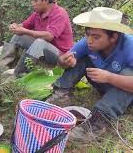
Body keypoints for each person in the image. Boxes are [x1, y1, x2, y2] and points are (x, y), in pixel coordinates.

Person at [48, 7, 133, 141]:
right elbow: (66, 59)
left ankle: (99, 121)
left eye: (96, 37)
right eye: (87, 34)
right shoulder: (88, 43)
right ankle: (61, 94)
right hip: (105, 85)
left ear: (113, 37)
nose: (89, 40)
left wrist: (109, 77)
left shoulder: (130, 46)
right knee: (79, 58)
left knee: (129, 72)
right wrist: (64, 61)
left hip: (127, 93)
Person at [0, 0, 73, 77]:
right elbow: (23, 25)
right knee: (18, 36)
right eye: (32, 0)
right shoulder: (37, 14)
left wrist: (25, 31)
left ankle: (17, 75)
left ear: (45, 0)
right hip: (43, 48)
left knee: (39, 42)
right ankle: (0, 69)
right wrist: (15, 27)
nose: (32, 3)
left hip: (61, 55)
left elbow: (49, 36)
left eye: (35, 0)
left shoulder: (60, 13)